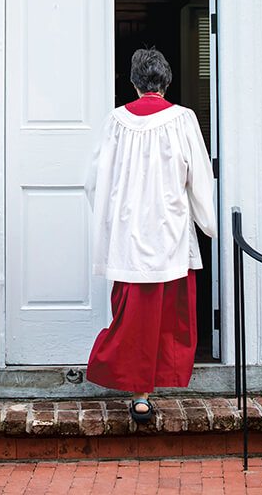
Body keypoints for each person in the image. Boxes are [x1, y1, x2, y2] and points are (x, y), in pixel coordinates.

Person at [85, 47, 217, 423]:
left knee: (134, 314)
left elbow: (95, 181)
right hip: (169, 229)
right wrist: (208, 223)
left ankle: (140, 392)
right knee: (165, 313)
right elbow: (200, 177)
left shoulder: (116, 120)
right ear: (168, 81)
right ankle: (152, 386)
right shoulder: (184, 119)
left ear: (133, 82)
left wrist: (109, 222)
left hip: (128, 233)